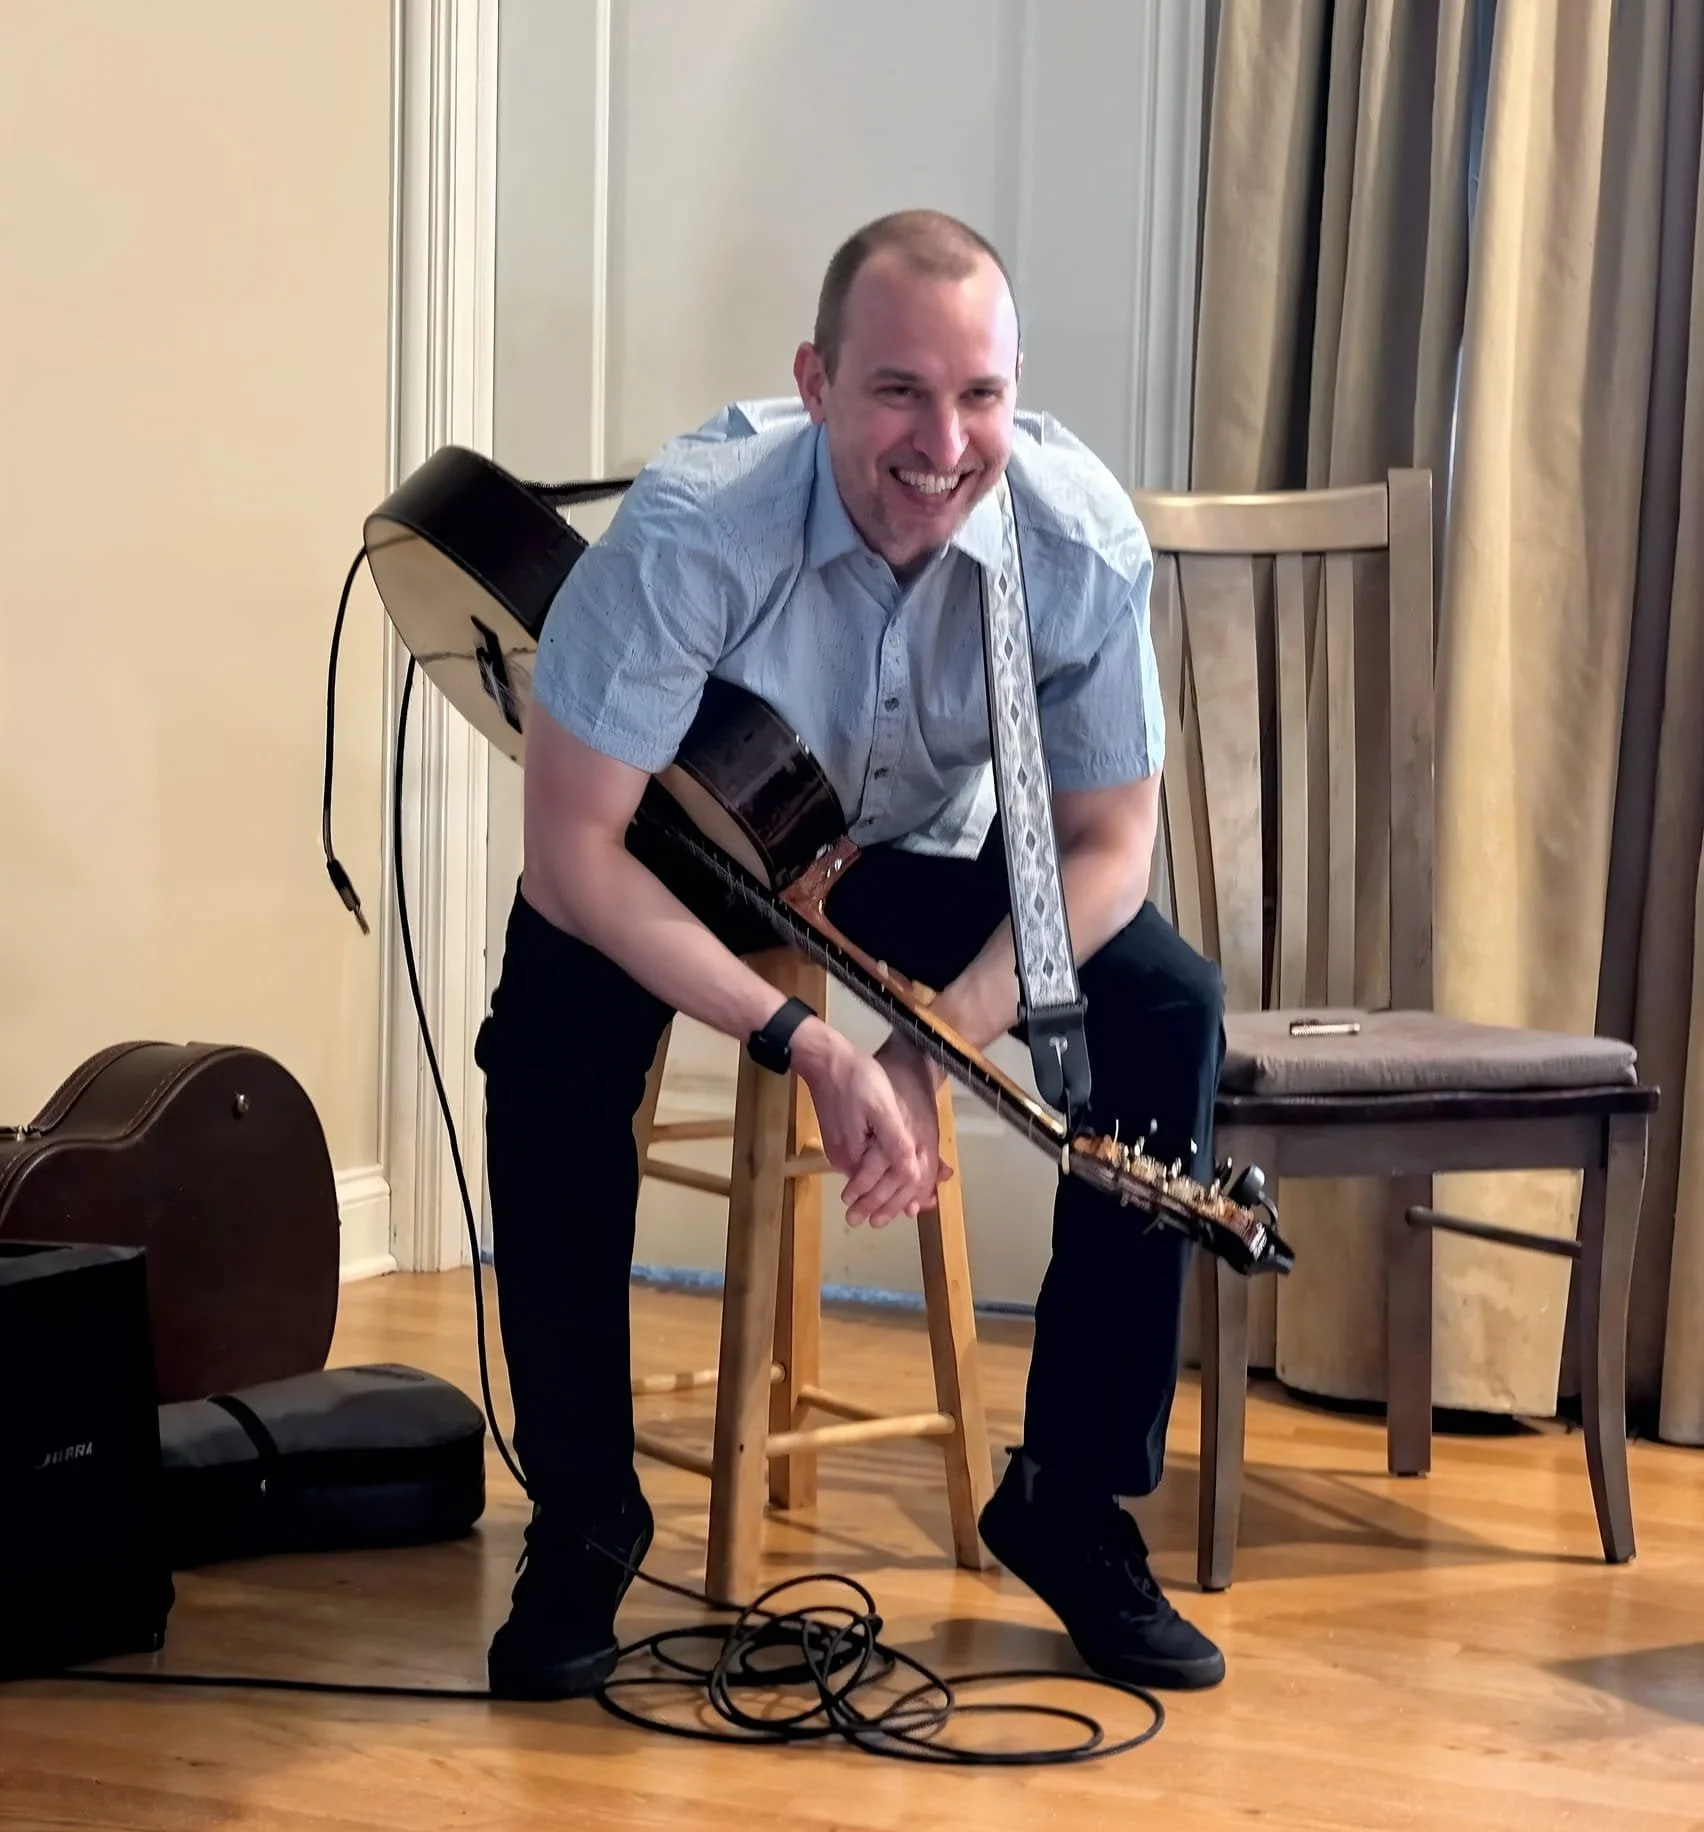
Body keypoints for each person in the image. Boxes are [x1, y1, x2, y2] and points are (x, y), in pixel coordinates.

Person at [474, 208, 1228, 1703]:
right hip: (688, 839)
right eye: (898, 392)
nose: (942, 443)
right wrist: (804, 1041)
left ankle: (1070, 1503)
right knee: (552, 1029)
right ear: (816, 382)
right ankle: (586, 1514)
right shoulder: (692, 533)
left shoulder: (1078, 545)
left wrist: (927, 1042)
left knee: (1166, 1005)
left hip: (907, 856)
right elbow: (572, 854)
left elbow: (1105, 852)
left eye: (981, 397)